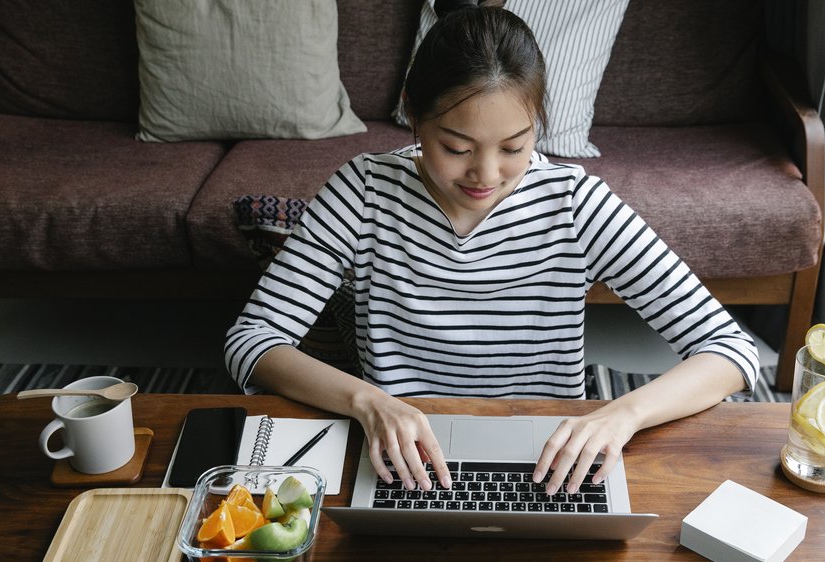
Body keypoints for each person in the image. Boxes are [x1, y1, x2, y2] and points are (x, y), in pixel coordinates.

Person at [225, 0, 758, 498]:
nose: (485, 175)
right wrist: (369, 403)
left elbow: (731, 352)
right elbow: (251, 340)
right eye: (456, 148)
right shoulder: (362, 192)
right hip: (402, 457)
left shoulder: (576, 203)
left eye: (514, 147)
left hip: (552, 462)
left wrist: (621, 415)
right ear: (414, 113)